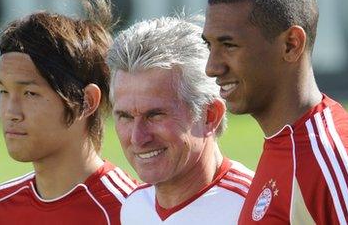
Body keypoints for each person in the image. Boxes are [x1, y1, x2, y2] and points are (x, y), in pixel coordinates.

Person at [202, 0, 348, 224]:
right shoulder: (287, 142)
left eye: (229, 45)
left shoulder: (328, 158)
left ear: (291, 44)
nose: (211, 67)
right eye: (209, 45)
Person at [0, 0, 137, 225]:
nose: (11, 112)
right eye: (4, 92)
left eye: (30, 94)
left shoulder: (129, 212)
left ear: (87, 101)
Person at [106, 16, 254, 224]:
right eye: (125, 117)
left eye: (155, 115)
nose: (138, 138)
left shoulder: (255, 210)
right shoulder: (134, 208)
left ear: (210, 116)